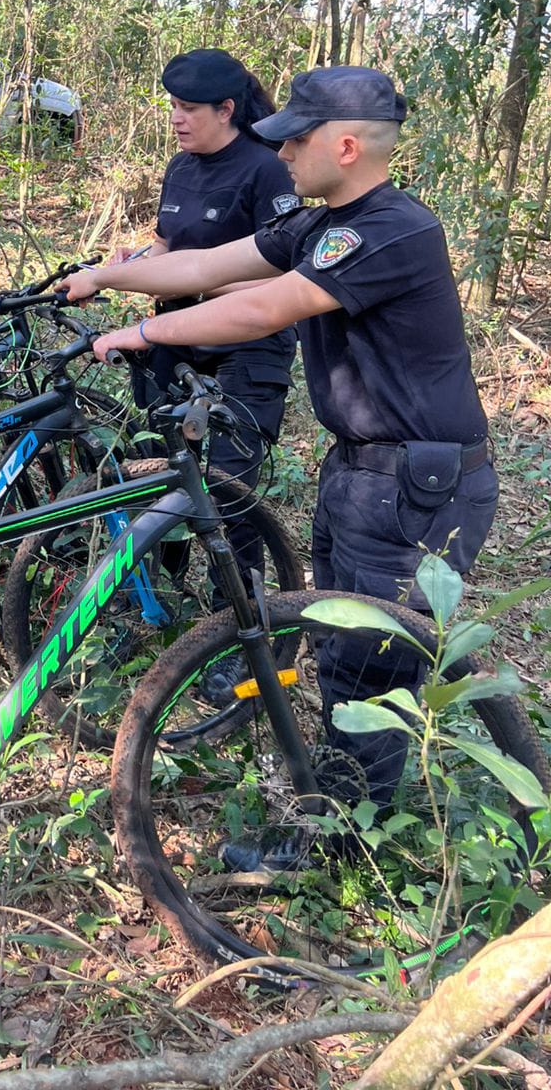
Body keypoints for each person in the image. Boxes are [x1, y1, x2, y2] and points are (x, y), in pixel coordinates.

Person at [65, 65, 498, 811]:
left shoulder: (393, 229)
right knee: (338, 642)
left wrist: (140, 331)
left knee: (370, 665)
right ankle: (339, 798)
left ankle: (341, 835)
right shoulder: (318, 222)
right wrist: (105, 276)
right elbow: (204, 264)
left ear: (350, 146)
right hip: (364, 471)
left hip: (415, 487)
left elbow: (267, 307)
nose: (284, 154)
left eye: (297, 140)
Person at [116, 48, 300, 591]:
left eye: (187, 108)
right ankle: (161, 591)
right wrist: (127, 268)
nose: (175, 118)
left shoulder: (269, 169)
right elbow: (166, 245)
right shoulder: (180, 166)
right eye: (172, 105)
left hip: (249, 343)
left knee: (229, 485)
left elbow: (284, 279)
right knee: (158, 463)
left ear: (226, 109)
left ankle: (238, 619)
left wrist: (194, 281)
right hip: (175, 335)